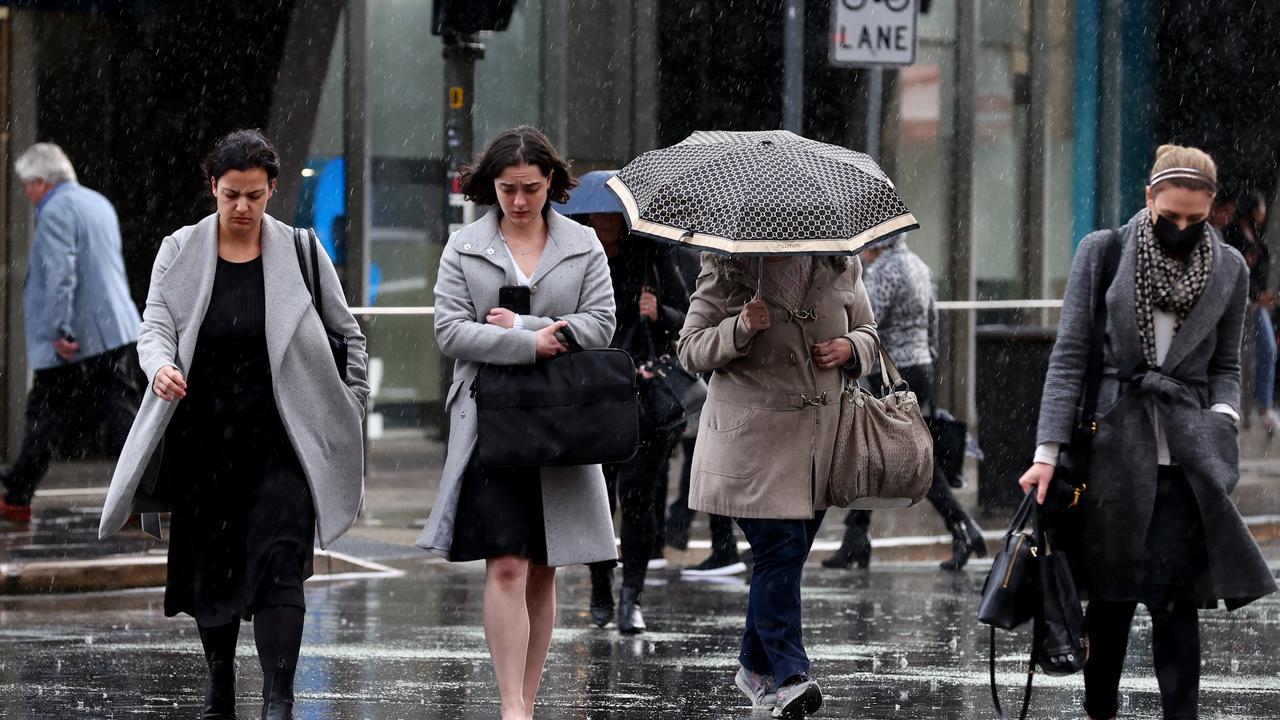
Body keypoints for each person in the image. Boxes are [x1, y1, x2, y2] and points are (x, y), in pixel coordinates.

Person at [98, 129, 370, 720]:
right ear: (213, 189)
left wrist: (350, 407)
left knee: (280, 562)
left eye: (253, 194)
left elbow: (348, 334)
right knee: (213, 570)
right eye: (230, 195)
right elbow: (156, 327)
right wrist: (161, 366)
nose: (242, 207)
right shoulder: (179, 249)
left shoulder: (300, 250)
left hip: (283, 439)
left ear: (273, 188)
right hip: (204, 439)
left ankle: (279, 698)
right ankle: (221, 682)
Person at [1019, 144, 1277, 720]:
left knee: (1174, 601)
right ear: (1149, 199)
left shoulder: (1230, 269)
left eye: (1195, 218)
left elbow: (1226, 369)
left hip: (1188, 461)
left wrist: (1224, 419)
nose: (1181, 228)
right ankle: (1101, 710)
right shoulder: (1103, 252)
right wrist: (1046, 454)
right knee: (1109, 603)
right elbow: (1069, 358)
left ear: (1212, 210)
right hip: (1111, 451)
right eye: (1170, 217)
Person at [415, 126, 617, 720]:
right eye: (507, 189)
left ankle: (526, 699)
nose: (520, 200)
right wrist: (529, 344)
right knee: (505, 559)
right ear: (491, 187)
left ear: (551, 181)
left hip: (561, 419)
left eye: (530, 188)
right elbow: (449, 331)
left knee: (544, 565)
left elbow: (601, 325)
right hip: (489, 418)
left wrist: (521, 328)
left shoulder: (582, 243)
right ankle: (512, 708)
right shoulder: (464, 245)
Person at [678, 252, 879, 718]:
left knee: (783, 561)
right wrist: (740, 327)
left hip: (820, 446)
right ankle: (791, 675)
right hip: (752, 445)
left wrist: (851, 348)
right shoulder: (727, 267)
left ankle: (752, 665)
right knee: (779, 551)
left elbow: (869, 331)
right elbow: (690, 348)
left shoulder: (840, 263)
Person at [822, 235, 987, 571]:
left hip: (890, 370)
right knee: (883, 453)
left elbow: (868, 325)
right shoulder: (920, 267)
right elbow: (932, 324)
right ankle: (856, 537)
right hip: (919, 368)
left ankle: (962, 527)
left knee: (899, 456)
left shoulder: (882, 271)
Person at [0, 143, 143, 523]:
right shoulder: (98, 202)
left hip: (75, 338)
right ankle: (141, 495)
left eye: (28, 185)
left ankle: (16, 496)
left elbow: (61, 272)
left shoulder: (56, 211)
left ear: (42, 182)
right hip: (113, 328)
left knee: (47, 416)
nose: (27, 194)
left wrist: (59, 329)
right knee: (121, 415)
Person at [581, 211, 689, 634]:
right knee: (598, 500)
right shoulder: (582, 256)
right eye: (596, 216)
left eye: (610, 216)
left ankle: (631, 598)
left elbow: (687, 317)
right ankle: (600, 584)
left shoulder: (652, 256)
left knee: (638, 500)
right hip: (596, 392)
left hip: (645, 393)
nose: (602, 222)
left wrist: (658, 310)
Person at [1221, 190, 1279, 430]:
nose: (1263, 213)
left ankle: (1259, 406)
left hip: (1256, 304)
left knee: (1264, 351)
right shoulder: (1234, 234)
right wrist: (1255, 295)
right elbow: (1239, 270)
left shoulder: (1254, 234)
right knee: (1242, 354)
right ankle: (1250, 407)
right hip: (1244, 303)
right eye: (1260, 207)